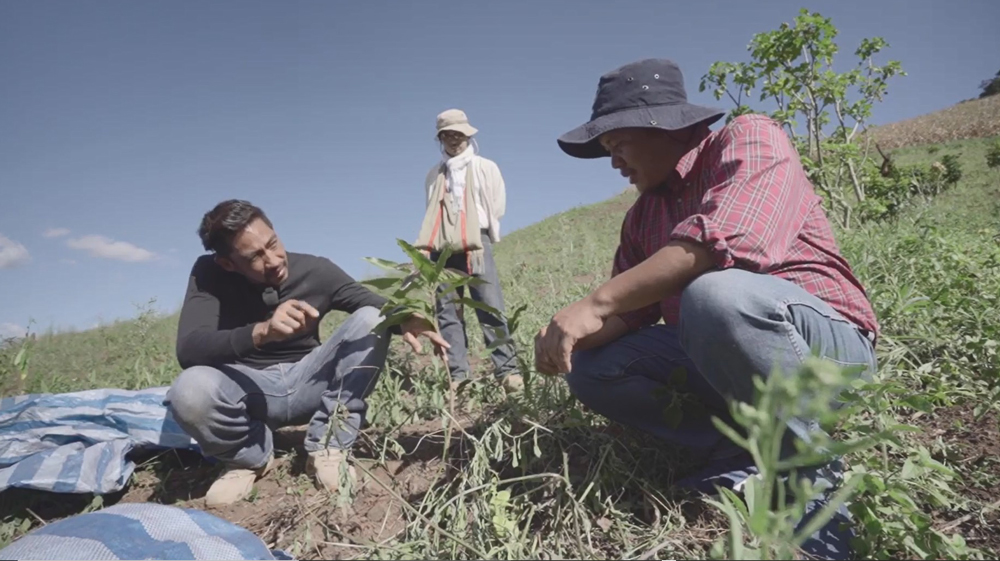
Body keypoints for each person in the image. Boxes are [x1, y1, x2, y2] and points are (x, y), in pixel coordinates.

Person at [534, 58, 879, 559]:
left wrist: (597, 301)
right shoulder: (642, 217)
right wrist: (566, 335)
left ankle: (811, 482)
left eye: (618, 145)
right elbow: (631, 313)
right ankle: (737, 451)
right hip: (725, 364)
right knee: (593, 368)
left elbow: (732, 241)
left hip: (822, 351)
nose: (615, 163)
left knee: (717, 294)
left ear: (660, 125)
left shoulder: (749, 138)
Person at [166, 199, 449, 507]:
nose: (273, 260)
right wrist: (262, 332)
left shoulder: (315, 270)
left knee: (371, 318)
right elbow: (189, 349)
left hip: (309, 382)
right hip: (252, 393)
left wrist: (407, 317)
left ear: (275, 230)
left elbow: (369, 302)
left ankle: (329, 445)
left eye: (273, 244)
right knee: (189, 389)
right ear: (228, 263)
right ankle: (247, 460)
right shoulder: (210, 275)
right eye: (254, 258)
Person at [415, 108, 523, 392]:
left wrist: (475, 228)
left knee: (489, 305)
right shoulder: (433, 175)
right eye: (447, 135)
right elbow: (430, 210)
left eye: (459, 134)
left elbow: (497, 203)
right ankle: (458, 376)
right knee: (447, 311)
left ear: (468, 135)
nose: (454, 140)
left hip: (477, 244)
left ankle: (508, 370)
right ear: (440, 139)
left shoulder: (485, 167)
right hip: (441, 248)